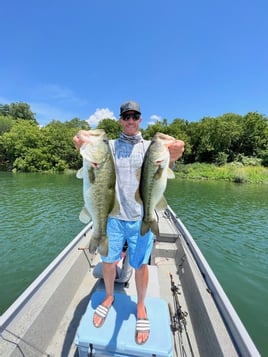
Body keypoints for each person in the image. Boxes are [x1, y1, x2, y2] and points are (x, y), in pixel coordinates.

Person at [73, 100, 185, 345]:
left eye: (135, 116)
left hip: (140, 217)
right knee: (109, 262)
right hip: (112, 217)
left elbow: (176, 150)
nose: (131, 121)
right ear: (120, 120)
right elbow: (81, 141)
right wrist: (81, 139)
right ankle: (109, 296)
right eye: (126, 117)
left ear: (140, 120)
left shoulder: (150, 148)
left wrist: (175, 147)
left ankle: (141, 306)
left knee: (141, 265)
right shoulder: (109, 146)